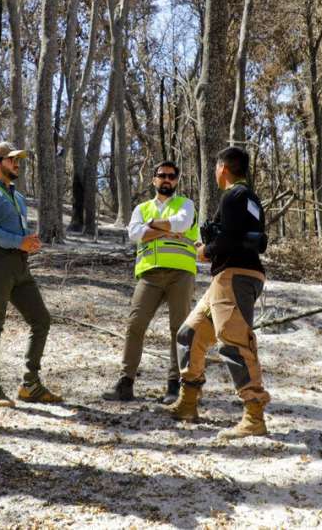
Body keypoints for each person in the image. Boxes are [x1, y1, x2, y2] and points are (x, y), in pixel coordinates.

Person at [167, 146, 271, 439]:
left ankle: (254, 415)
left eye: (215, 167)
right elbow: (242, 235)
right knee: (191, 333)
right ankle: (188, 403)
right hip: (229, 278)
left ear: (223, 168)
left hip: (234, 277)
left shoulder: (233, 195)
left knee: (235, 343)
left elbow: (228, 239)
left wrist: (206, 251)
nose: (214, 172)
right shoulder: (250, 199)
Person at [0, 141, 62, 406]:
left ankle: (30, 384)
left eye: (18, 160)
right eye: (11, 159)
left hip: (20, 265)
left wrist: (28, 242)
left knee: (41, 320)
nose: (17, 164)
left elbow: (15, 234)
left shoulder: (18, 197)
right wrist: (17, 241)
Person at [103, 161, 198, 405]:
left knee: (179, 329)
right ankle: (125, 384)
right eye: (161, 175)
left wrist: (152, 227)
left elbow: (183, 225)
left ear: (177, 180)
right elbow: (134, 234)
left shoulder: (186, 205)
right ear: (153, 180)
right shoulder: (141, 208)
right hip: (150, 275)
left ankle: (175, 385)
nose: (166, 179)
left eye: (171, 176)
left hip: (181, 274)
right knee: (135, 325)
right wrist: (167, 229)